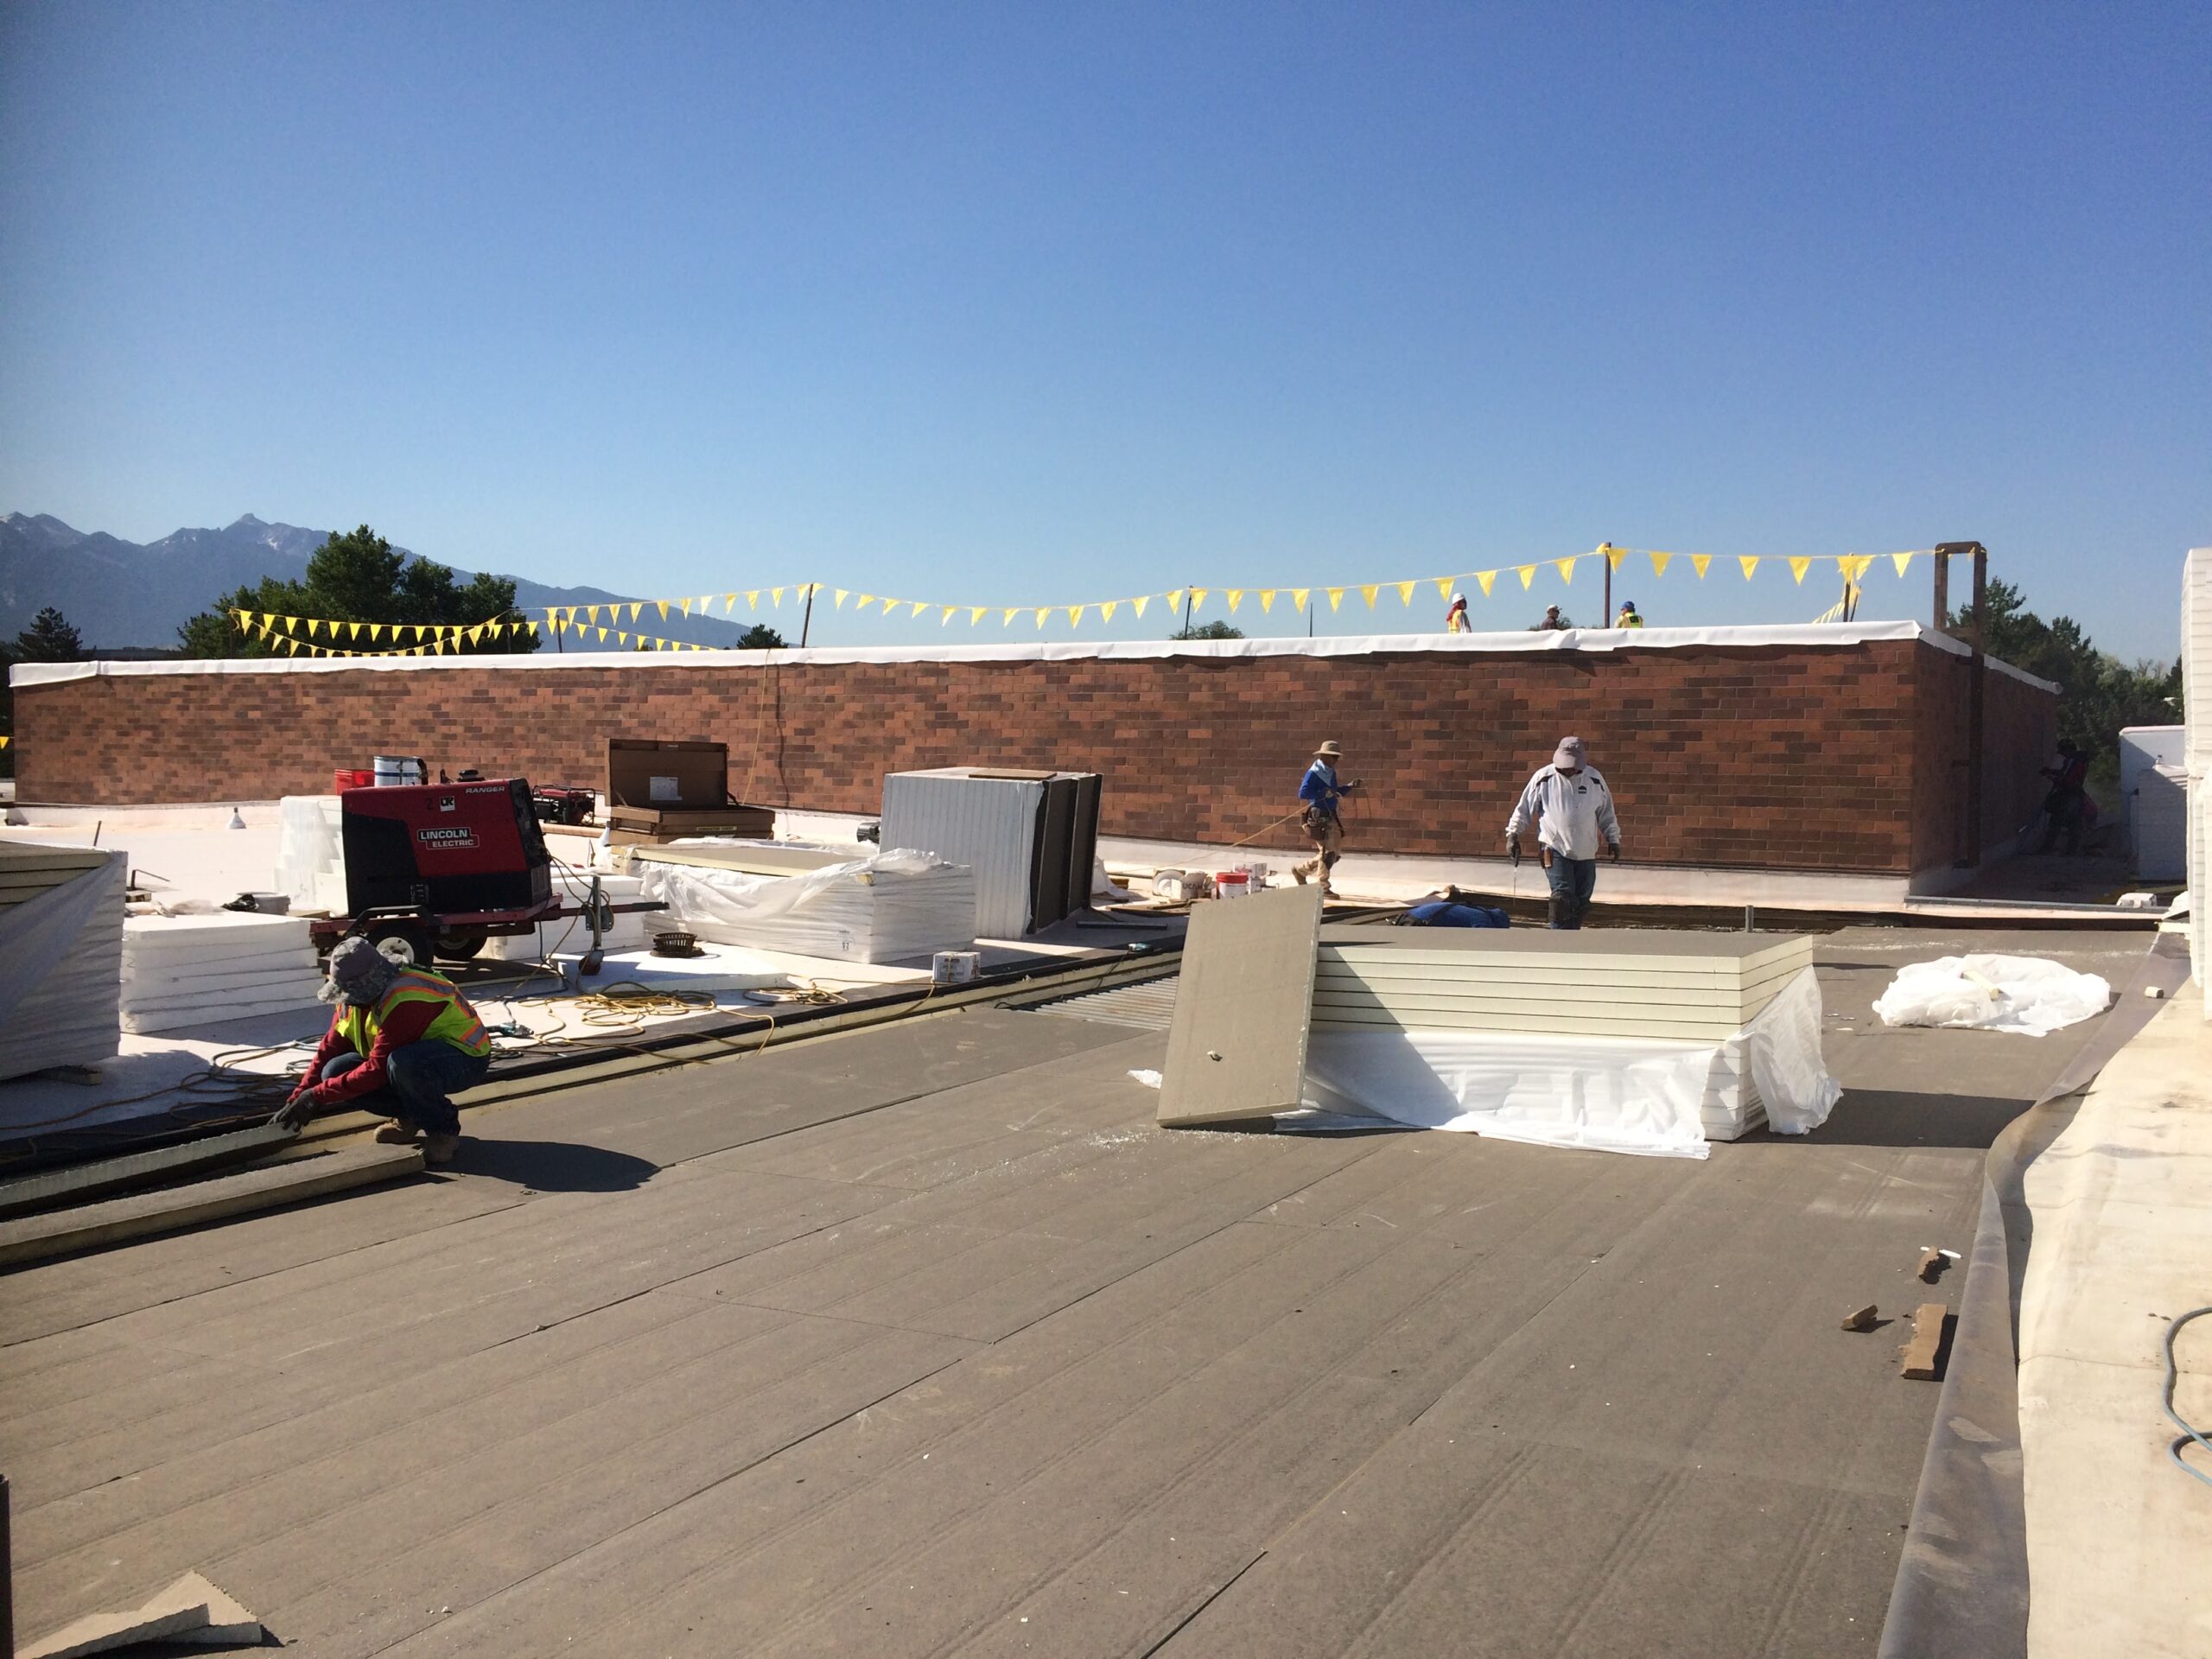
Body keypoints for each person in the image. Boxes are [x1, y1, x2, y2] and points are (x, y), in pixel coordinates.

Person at [280, 936, 493, 1162]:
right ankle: (410, 1117)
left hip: (463, 1058)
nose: (348, 1000)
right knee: (334, 1071)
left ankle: (443, 1130)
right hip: (409, 1057)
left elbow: (378, 1070)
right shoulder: (352, 1001)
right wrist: (298, 1097)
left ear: (370, 984)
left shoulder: (406, 996)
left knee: (403, 1063)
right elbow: (330, 1048)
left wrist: (316, 1096)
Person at [1504, 734, 1622, 929]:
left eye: (1574, 765)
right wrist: (1513, 834)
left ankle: (1572, 938)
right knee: (1562, 898)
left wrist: (1613, 838)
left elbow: (1606, 812)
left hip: (1586, 849)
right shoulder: (1544, 778)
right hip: (1554, 846)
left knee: (1582, 900)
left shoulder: (1594, 779)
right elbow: (1524, 808)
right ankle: (1558, 939)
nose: (1569, 769)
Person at [1293, 740, 1361, 896]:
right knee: (1328, 853)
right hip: (1319, 816)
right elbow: (1303, 793)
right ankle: (1323, 887)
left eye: (1337, 757)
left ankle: (1301, 870)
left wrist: (1349, 786)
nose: (1336, 760)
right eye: (1333, 757)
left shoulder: (1330, 772)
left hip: (1331, 815)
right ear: (1324, 756)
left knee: (1334, 855)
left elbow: (1335, 792)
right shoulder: (1314, 773)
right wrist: (1322, 793)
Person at [2037, 739, 2090, 855]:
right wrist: (2051, 771)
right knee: (2074, 823)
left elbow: (2067, 779)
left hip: (2069, 794)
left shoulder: (2074, 761)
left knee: (2057, 821)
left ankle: (2047, 849)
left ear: (2067, 750)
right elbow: (2064, 773)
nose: (2062, 754)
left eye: (2062, 751)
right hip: (2075, 794)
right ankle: (2071, 851)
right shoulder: (2077, 760)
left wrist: (2051, 777)